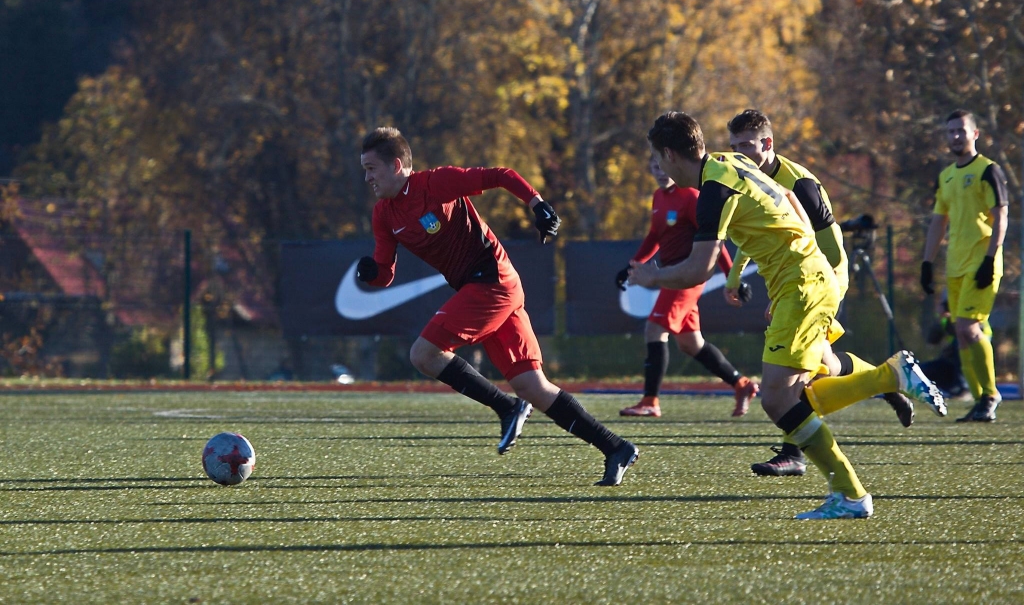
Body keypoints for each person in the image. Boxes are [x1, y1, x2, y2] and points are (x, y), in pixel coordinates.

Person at [630, 111, 946, 519]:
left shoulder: (712, 190)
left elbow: (696, 269)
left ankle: (887, 387)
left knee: (778, 398)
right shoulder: (731, 162)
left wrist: (649, 276)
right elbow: (790, 204)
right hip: (804, 281)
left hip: (803, 285)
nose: (659, 166)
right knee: (805, 388)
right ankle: (852, 487)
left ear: (670, 154)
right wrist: (784, 264)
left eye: (658, 157)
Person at [358, 127, 638, 485]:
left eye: (371, 169)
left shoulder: (436, 183)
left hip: (493, 282)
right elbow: (385, 274)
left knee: (424, 354)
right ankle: (616, 447)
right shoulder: (383, 214)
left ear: (396, 165)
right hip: (487, 289)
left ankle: (507, 408)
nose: (367, 178)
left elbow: (500, 176)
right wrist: (373, 273)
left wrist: (537, 204)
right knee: (534, 386)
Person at [721, 110, 914, 478]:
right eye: (733, 146)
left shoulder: (801, 184)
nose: (740, 153)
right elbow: (758, 232)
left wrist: (798, 296)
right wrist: (735, 276)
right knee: (823, 362)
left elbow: (824, 248)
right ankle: (885, 381)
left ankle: (795, 453)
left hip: (822, 279)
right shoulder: (750, 176)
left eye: (747, 145)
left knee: (799, 375)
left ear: (768, 143)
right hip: (797, 283)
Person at [615, 155, 759, 418]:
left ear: (675, 165)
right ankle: (741, 384)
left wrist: (732, 279)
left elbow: (716, 241)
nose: (659, 171)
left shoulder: (691, 196)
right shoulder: (659, 197)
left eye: (662, 166)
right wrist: (633, 265)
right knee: (690, 343)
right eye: (653, 166)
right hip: (672, 275)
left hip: (686, 275)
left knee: (654, 329)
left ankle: (650, 401)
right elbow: (655, 236)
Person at [921, 109, 1009, 422]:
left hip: (981, 263)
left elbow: (1001, 216)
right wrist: (927, 263)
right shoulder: (945, 176)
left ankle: (990, 394)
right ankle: (979, 401)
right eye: (950, 132)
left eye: (961, 130)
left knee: (969, 328)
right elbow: (938, 222)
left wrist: (989, 258)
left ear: (975, 134)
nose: (955, 136)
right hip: (955, 266)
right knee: (960, 334)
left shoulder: (988, 170)